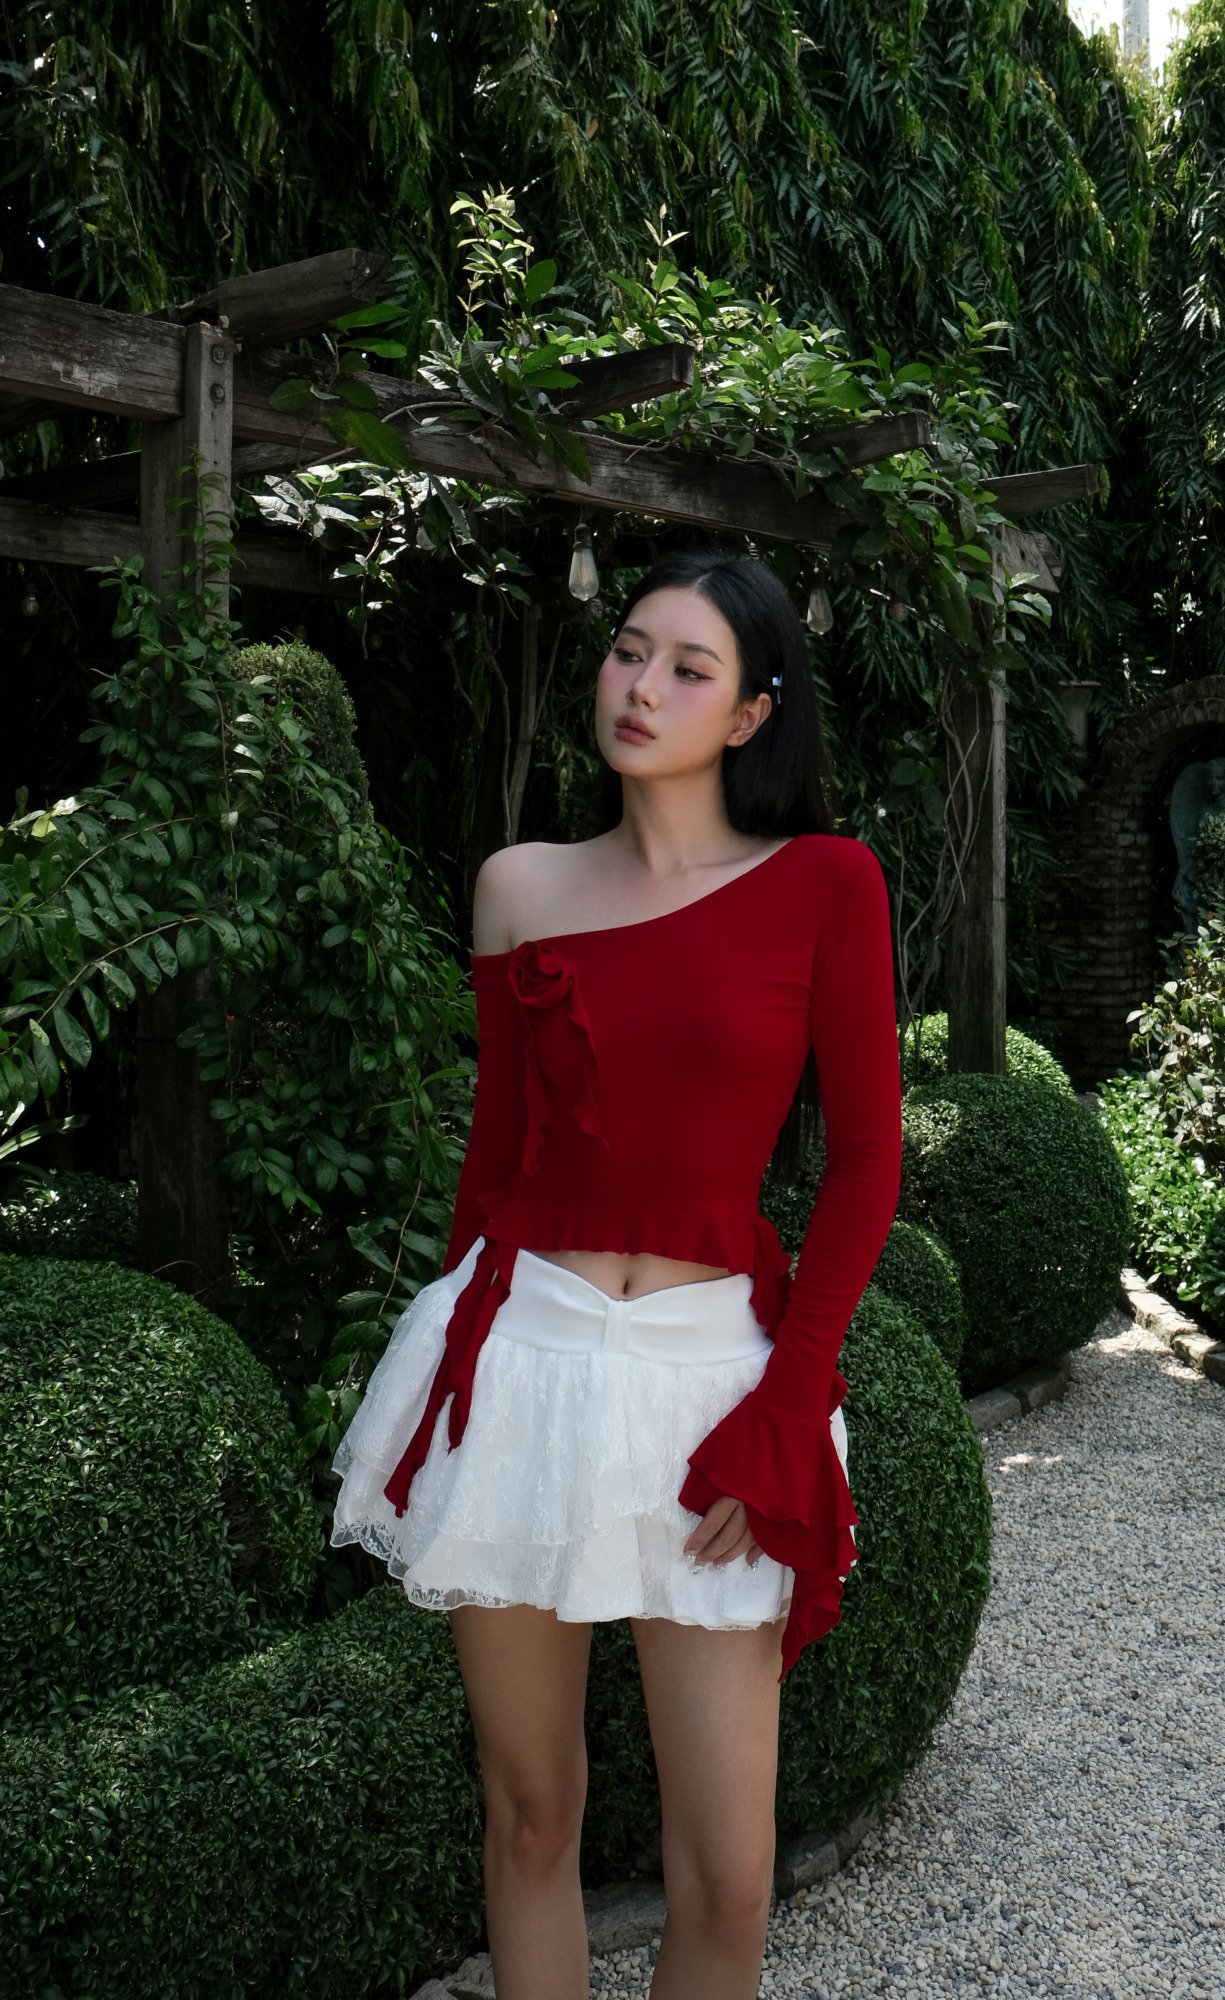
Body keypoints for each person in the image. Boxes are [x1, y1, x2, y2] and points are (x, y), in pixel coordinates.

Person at [330, 547, 903, 2000]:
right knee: (530, 1817)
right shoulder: (518, 884)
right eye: (628, 651)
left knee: (728, 1873)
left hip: (713, 1387)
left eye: (688, 668)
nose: (641, 687)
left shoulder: (827, 884)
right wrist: (439, 1395)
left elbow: (862, 1168)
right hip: (523, 1358)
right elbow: (496, 1159)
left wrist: (789, 1410)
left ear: (752, 714)